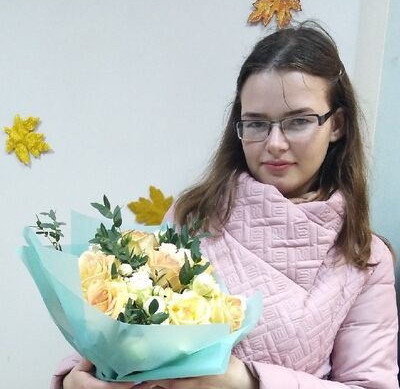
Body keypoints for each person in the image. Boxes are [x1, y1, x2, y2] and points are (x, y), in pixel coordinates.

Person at [53, 21, 399, 389]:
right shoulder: (195, 215)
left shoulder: (363, 257)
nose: (275, 143)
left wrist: (247, 381)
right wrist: (75, 379)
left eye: (298, 121)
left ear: (337, 125)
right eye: (257, 124)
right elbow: (124, 320)